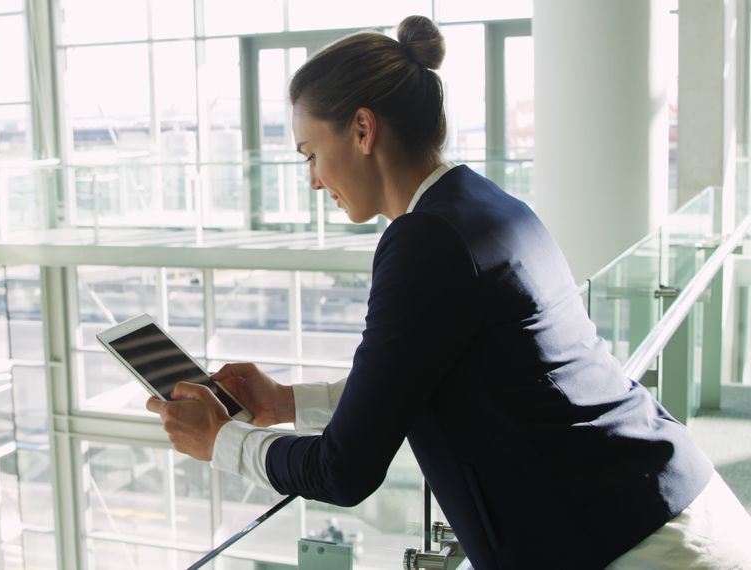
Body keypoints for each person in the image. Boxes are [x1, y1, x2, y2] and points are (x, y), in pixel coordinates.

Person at [146, 15, 751, 570]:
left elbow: (343, 471)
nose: (312, 180)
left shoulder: (424, 241)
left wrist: (222, 441)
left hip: (640, 545)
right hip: (667, 507)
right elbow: (429, 373)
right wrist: (284, 402)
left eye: (311, 155)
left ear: (361, 129)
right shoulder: (478, 203)